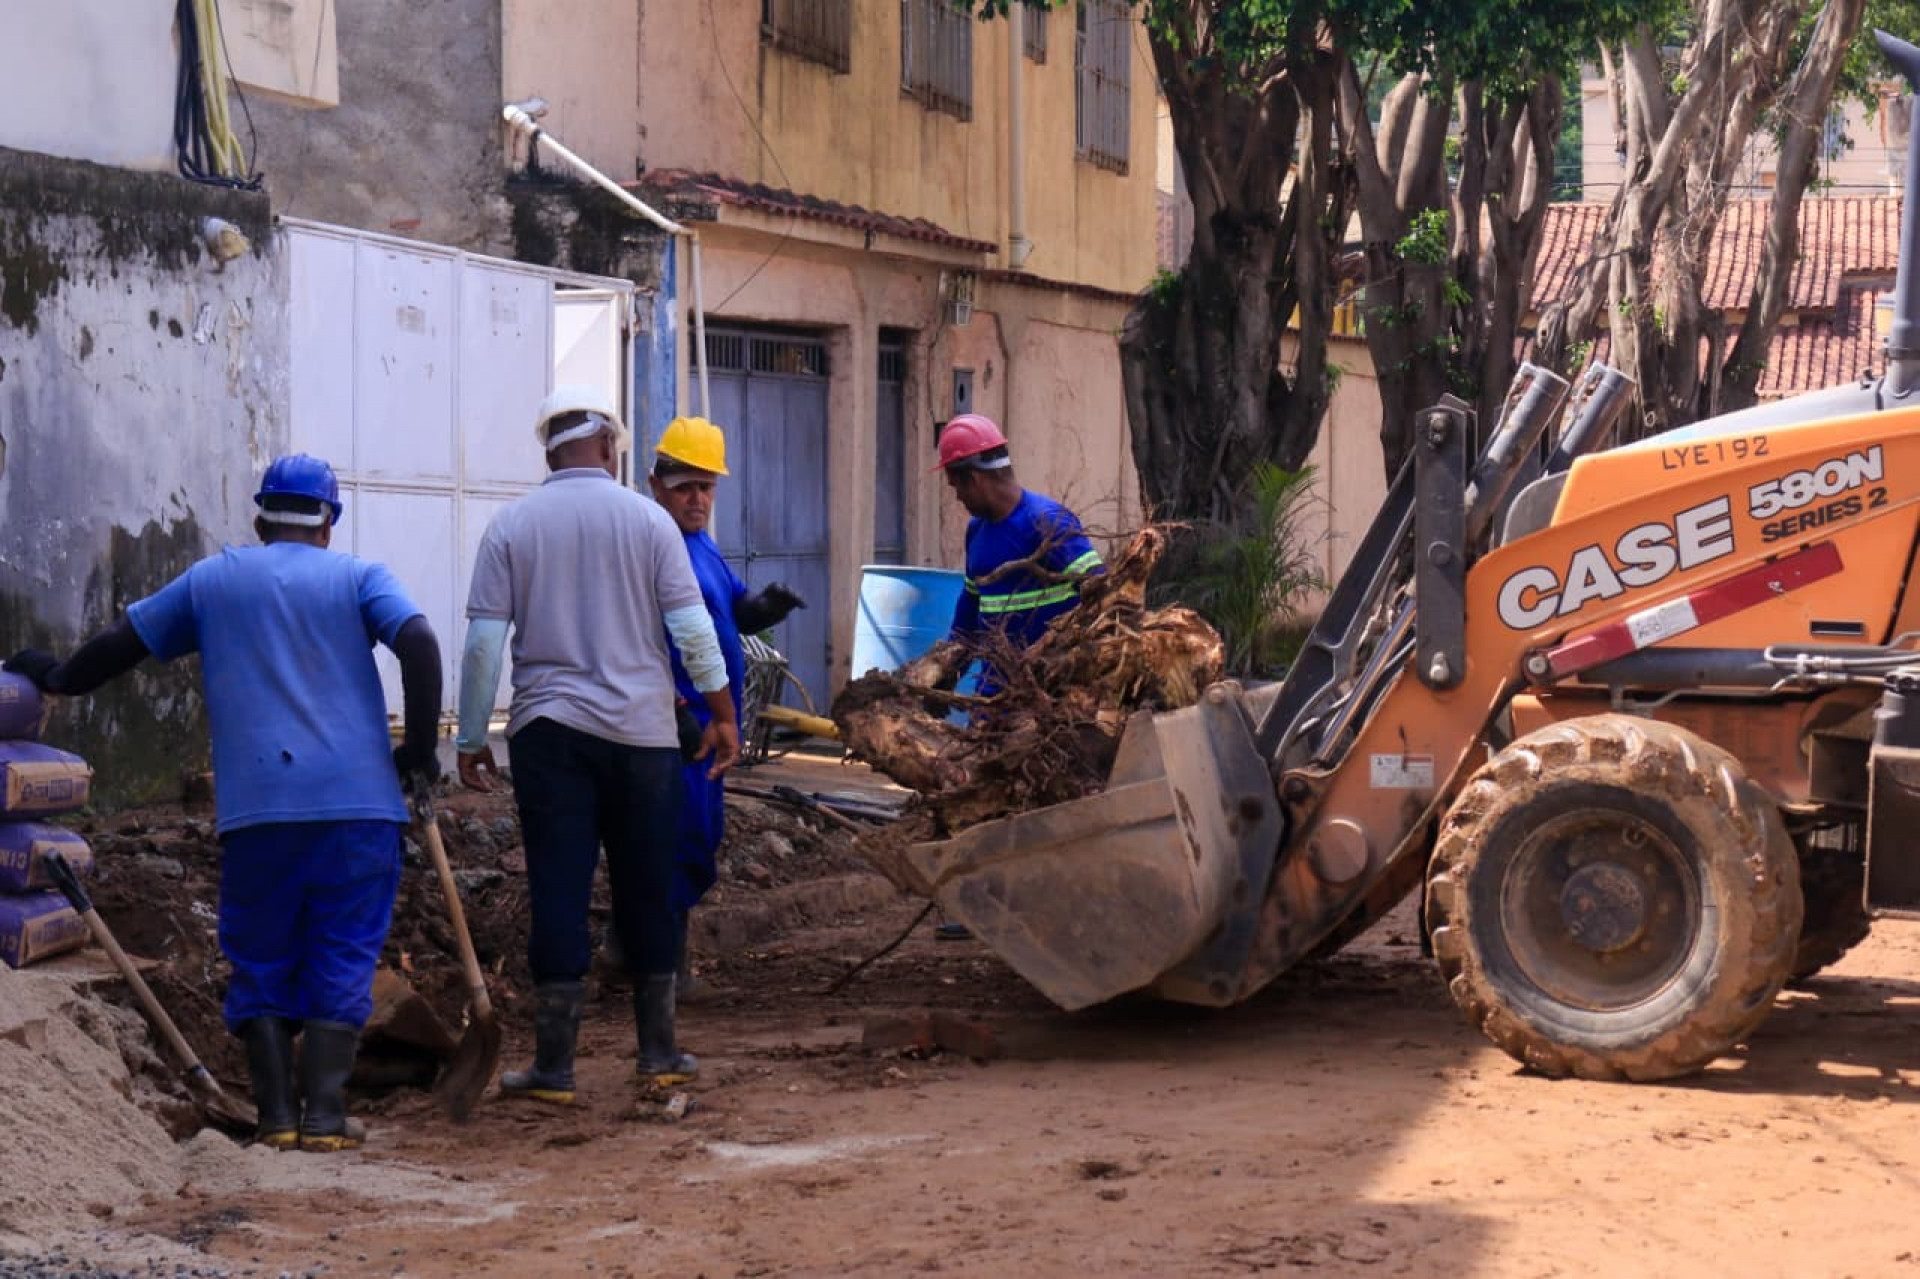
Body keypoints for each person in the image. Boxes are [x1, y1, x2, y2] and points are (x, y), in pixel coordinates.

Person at [4, 455, 443, 1153]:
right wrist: (420, 754)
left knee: (262, 954)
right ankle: (325, 1116)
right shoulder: (360, 576)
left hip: (260, 810)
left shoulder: (214, 580)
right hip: (359, 807)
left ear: (260, 516)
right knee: (343, 948)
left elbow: (123, 644)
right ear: (329, 522)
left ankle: (276, 1119)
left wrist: (56, 676)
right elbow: (418, 641)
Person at [455, 385, 738, 1101]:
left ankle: (554, 1067)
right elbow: (695, 634)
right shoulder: (650, 524)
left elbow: (484, 646)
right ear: (610, 448)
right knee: (645, 884)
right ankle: (659, 1051)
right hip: (643, 738)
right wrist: (723, 714)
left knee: (558, 885)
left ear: (550, 449)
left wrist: (468, 736)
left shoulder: (511, 526)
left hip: (550, 735)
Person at [643, 416, 805, 998]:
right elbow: (643, 637)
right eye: (686, 485)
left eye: (707, 486)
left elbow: (730, 612)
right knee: (678, 839)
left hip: (713, 725)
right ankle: (665, 971)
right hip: (678, 723)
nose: (698, 498)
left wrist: (765, 608)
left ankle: (635, 953)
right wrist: (677, 709)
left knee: (698, 836)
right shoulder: (650, 543)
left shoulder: (702, 545)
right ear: (657, 483)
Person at [938, 413, 1105, 672]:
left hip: (1053, 696)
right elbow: (969, 614)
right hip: (996, 697)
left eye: (956, 487)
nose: (958, 497)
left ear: (974, 479)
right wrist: (944, 673)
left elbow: (1104, 594)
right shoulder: (976, 531)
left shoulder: (1047, 522)